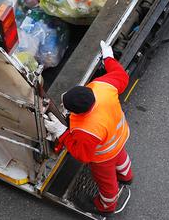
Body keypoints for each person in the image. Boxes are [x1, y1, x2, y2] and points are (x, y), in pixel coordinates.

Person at [44, 41, 133, 216]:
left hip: (104, 156)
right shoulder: (102, 87)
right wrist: (108, 58)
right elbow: (120, 74)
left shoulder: (87, 128)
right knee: (121, 157)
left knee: (106, 182)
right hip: (119, 136)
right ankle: (126, 175)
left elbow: (82, 154)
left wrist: (61, 132)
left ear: (79, 112)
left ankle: (106, 206)